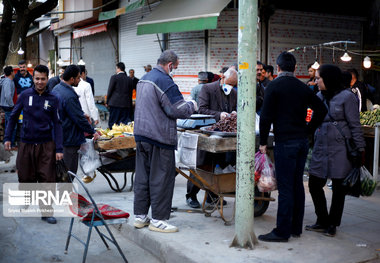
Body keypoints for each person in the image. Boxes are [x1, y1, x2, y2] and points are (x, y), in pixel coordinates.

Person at [258, 52, 327, 242]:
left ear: (278, 68)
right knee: (297, 184)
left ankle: (282, 231)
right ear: (295, 68)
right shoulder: (303, 87)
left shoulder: (273, 86)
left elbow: (265, 117)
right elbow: (322, 109)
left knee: (286, 187)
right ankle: (296, 227)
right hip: (301, 142)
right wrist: (308, 130)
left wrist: (263, 142)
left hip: (285, 143)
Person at [133, 50, 197, 233]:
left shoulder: (144, 78)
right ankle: (158, 220)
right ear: (170, 65)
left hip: (142, 135)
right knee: (161, 179)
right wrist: (193, 104)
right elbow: (177, 110)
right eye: (175, 68)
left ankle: (140, 217)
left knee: (143, 178)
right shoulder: (164, 81)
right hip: (159, 137)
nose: (174, 71)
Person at [306, 64, 365, 237]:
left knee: (339, 189)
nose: (316, 82)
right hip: (320, 147)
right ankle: (322, 219)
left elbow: (355, 125)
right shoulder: (318, 96)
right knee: (314, 184)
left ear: (329, 78)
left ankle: (332, 224)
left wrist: (360, 149)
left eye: (319, 78)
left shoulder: (347, 97)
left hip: (340, 149)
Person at [4, 65, 63, 224]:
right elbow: (14, 117)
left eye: (43, 79)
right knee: (25, 175)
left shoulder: (53, 98)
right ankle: (26, 199)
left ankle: (46, 212)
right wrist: (7, 138)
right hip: (26, 143)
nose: (40, 82)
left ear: (47, 78)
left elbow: (57, 124)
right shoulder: (25, 95)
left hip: (46, 144)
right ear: (33, 78)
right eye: (37, 78)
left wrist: (59, 148)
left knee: (47, 178)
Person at [186, 68, 238, 208]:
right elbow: (202, 109)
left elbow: (234, 108)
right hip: (207, 131)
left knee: (219, 165)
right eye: (229, 83)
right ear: (222, 77)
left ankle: (212, 195)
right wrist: (219, 115)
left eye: (233, 85)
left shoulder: (233, 93)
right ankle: (191, 195)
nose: (231, 87)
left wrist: (233, 113)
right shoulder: (207, 89)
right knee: (202, 164)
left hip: (223, 134)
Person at [52, 65, 99, 175]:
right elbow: (78, 119)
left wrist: (82, 114)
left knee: (61, 170)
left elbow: (67, 111)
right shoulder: (69, 95)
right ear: (72, 79)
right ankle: (65, 192)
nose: (80, 80)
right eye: (78, 77)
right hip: (69, 137)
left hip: (59, 136)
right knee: (69, 172)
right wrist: (93, 131)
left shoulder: (56, 88)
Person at [106, 62, 134, 128]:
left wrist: (107, 102)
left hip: (114, 104)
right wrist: (130, 105)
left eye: (116, 68)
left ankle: (113, 137)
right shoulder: (129, 79)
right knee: (124, 124)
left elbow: (110, 90)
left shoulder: (114, 77)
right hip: (125, 105)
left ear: (118, 68)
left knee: (113, 124)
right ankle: (122, 138)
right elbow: (130, 94)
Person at [0, 66, 17, 149]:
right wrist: (12, 105)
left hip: (7, 106)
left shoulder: (8, 81)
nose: (14, 73)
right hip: (8, 106)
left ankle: (7, 143)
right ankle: (11, 144)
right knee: (12, 125)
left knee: (9, 125)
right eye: (13, 71)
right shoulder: (7, 81)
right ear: (11, 72)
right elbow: (7, 95)